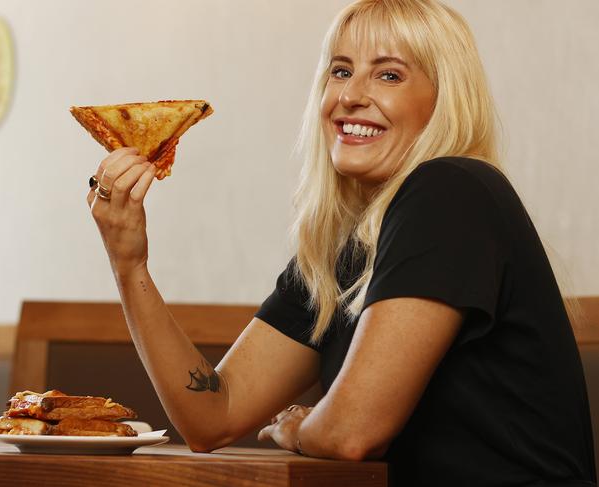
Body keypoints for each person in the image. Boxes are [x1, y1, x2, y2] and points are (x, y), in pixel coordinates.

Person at [86, 0, 596, 485]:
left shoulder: (451, 190)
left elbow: (351, 434)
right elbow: (210, 416)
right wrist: (129, 264)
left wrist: (298, 428)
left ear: (445, 101)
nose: (350, 94)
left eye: (390, 74)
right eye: (341, 70)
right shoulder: (345, 250)